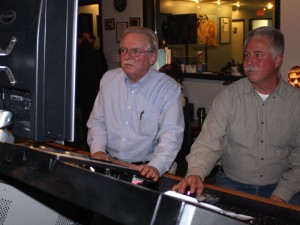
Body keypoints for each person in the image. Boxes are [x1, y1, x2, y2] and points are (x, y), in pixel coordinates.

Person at [172, 26, 300, 206]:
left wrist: (282, 193)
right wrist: (195, 172)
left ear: (277, 59)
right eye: (246, 55)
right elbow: (209, 142)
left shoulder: (295, 102)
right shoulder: (229, 96)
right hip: (233, 183)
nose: (249, 62)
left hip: (281, 186)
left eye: (258, 55)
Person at [87, 26, 184, 181]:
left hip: (146, 169)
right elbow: (97, 122)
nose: (127, 56)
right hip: (109, 163)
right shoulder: (109, 80)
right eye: (124, 50)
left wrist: (155, 166)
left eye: (135, 51)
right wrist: (97, 150)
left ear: (152, 58)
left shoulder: (168, 88)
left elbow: (171, 135)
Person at [75, 31, 103, 150]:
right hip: (91, 93)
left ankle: (87, 147)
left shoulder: (85, 51)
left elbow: (85, 76)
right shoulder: (89, 50)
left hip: (88, 94)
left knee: (89, 122)